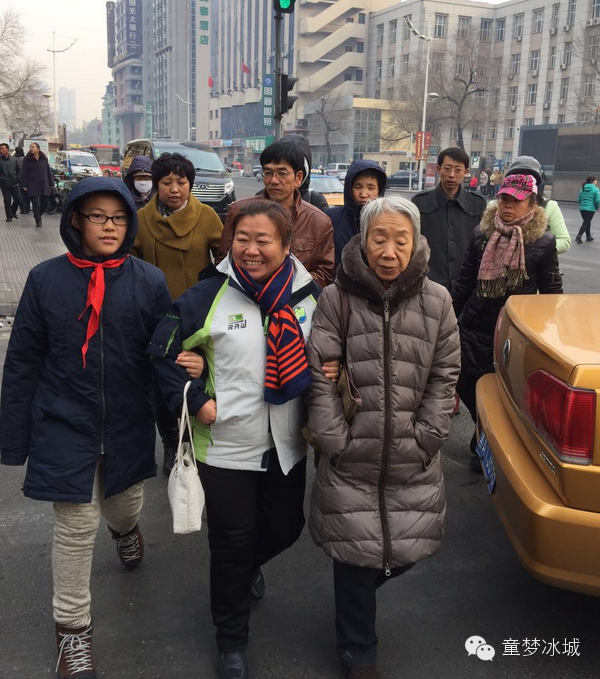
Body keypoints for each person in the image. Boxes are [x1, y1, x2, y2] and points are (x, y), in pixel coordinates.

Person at [148, 200, 329, 679]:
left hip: (288, 442)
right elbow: (162, 353)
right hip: (225, 443)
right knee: (231, 544)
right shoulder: (207, 296)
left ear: (286, 246)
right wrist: (192, 395)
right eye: (241, 239)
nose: (250, 250)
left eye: (263, 240)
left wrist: (333, 366)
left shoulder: (308, 295)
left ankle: (242, 570)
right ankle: (231, 642)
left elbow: (331, 349)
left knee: (286, 527)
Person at [0, 178, 172, 679]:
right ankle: (72, 635)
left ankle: (126, 530)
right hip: (63, 421)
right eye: (97, 216)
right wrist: (15, 438)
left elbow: (162, 360)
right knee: (75, 528)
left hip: (126, 420)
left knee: (123, 504)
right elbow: (23, 362)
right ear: (75, 219)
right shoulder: (44, 279)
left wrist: (173, 430)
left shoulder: (148, 281)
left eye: (118, 218)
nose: (109, 226)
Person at [305, 195, 460, 679]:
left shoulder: (437, 300)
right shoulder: (336, 298)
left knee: (404, 548)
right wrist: (336, 439)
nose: (389, 250)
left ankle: (355, 608)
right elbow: (319, 372)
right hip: (353, 454)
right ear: (363, 240)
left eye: (400, 240)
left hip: (412, 453)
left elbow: (445, 374)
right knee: (353, 558)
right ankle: (358, 651)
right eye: (379, 238)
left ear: (415, 245)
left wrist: (428, 435)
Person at [451, 174, 563, 471]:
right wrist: (449, 317)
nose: (508, 206)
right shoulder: (481, 234)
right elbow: (464, 282)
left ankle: (485, 442)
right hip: (474, 324)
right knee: (467, 384)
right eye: (504, 199)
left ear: (532, 203)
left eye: (516, 200)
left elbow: (551, 294)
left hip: (513, 331)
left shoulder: (542, 241)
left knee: (504, 392)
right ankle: (484, 429)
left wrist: (549, 336)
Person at [132, 152, 223, 474]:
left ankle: (191, 440)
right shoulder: (140, 219)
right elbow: (131, 268)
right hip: (156, 318)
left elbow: (225, 264)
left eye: (181, 182)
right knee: (162, 386)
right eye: (166, 182)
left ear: (190, 184)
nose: (174, 188)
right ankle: (172, 442)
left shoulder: (208, 216)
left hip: (198, 317)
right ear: (156, 185)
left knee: (197, 379)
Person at [217, 139, 335, 289]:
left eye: (282, 173)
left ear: (298, 178)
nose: (273, 180)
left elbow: (324, 272)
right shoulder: (239, 211)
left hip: (294, 304)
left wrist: (287, 288)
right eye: (268, 172)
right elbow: (223, 261)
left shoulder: (318, 221)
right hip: (244, 297)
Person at [412, 147, 486, 290]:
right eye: (447, 168)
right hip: (428, 283)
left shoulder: (477, 203)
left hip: (466, 285)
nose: (452, 175)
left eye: (458, 170)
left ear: (466, 172)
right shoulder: (420, 202)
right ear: (439, 169)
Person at [492, 156, 571, 254]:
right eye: (517, 175)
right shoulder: (494, 206)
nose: (522, 180)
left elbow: (564, 241)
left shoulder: (549, 206)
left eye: (529, 177)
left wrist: (529, 249)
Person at [328, 159, 387, 269]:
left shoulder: (388, 220)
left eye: (371, 187)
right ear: (349, 189)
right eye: (358, 187)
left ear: (379, 190)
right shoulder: (331, 219)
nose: (364, 194)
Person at [22, 142, 54, 228]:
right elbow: (24, 173)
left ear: (38, 149)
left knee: (45, 202)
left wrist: (52, 183)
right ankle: (38, 220)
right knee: (35, 203)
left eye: (33, 147)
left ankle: (38, 214)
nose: (31, 148)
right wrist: (24, 185)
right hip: (32, 184)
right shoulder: (27, 160)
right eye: (30, 147)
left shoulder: (44, 159)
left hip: (44, 183)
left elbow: (48, 172)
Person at [0, 142, 22, 222]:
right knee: (7, 200)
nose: (1, 150)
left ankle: (13, 211)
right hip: (4, 184)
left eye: (3, 149)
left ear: (7, 150)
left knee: (18, 199)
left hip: (14, 183)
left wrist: (18, 178)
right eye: (0, 149)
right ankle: (9, 216)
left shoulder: (14, 159)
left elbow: (19, 170)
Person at [576, 176, 600, 244]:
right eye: (595, 180)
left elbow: (579, 199)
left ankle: (588, 236)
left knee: (587, 222)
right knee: (586, 222)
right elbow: (597, 201)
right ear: (592, 181)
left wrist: (582, 205)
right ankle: (578, 236)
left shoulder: (582, 188)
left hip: (582, 209)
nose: (596, 181)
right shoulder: (596, 189)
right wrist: (596, 207)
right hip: (590, 209)